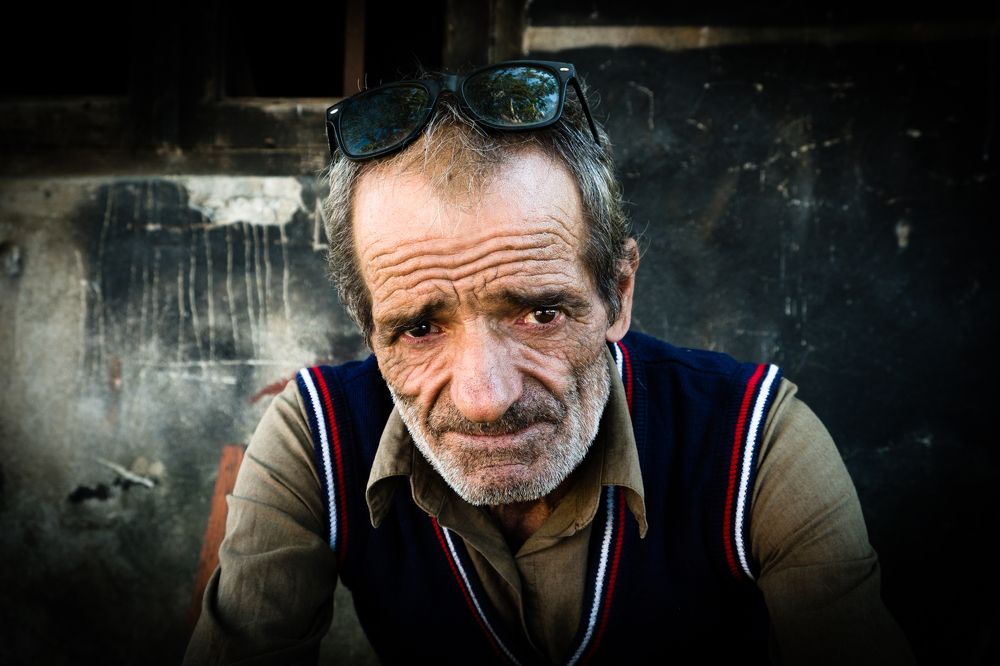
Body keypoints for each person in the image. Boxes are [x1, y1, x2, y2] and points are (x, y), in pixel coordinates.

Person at [184, 60, 914, 665]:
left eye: (540, 314)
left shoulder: (754, 443)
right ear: (370, 331)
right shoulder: (317, 440)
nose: (484, 398)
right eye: (419, 329)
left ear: (617, 294)